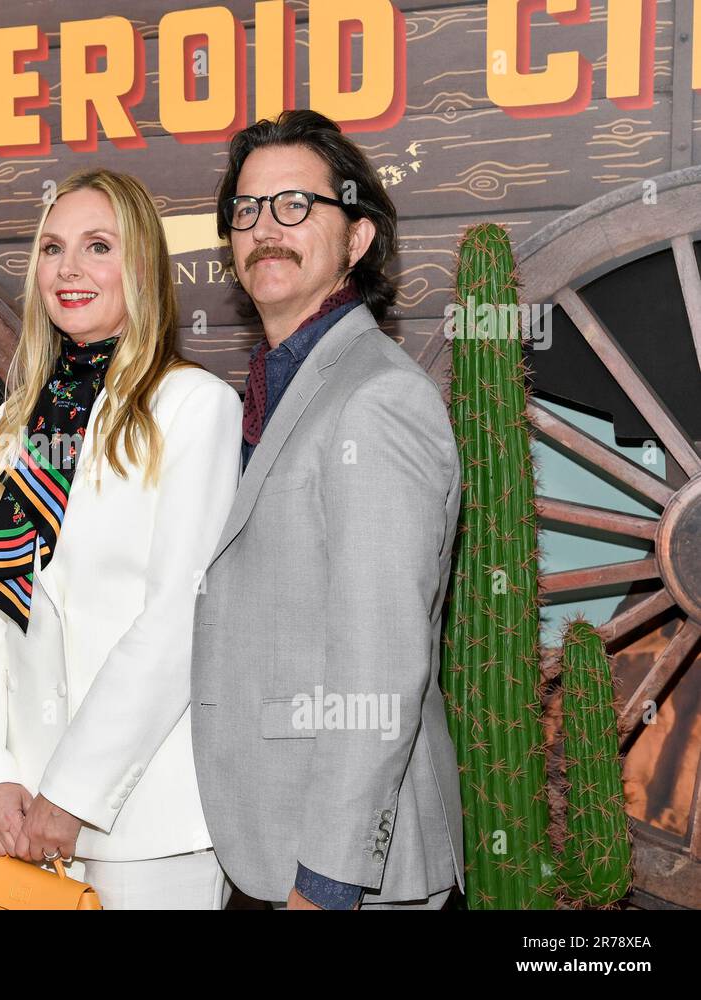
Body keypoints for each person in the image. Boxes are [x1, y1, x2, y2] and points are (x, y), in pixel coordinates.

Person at [190, 110, 465, 909]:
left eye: (295, 205)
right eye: (246, 209)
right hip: (266, 846)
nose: (264, 228)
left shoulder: (377, 399)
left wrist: (329, 881)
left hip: (343, 875)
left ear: (357, 240)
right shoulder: (274, 389)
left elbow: (380, 667)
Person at [0, 168, 242, 909]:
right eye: (52, 249)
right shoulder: (18, 421)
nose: (69, 269)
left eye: (96, 247)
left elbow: (179, 619)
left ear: (141, 266)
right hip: (20, 821)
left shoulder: (194, 407)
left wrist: (74, 793)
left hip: (146, 819)